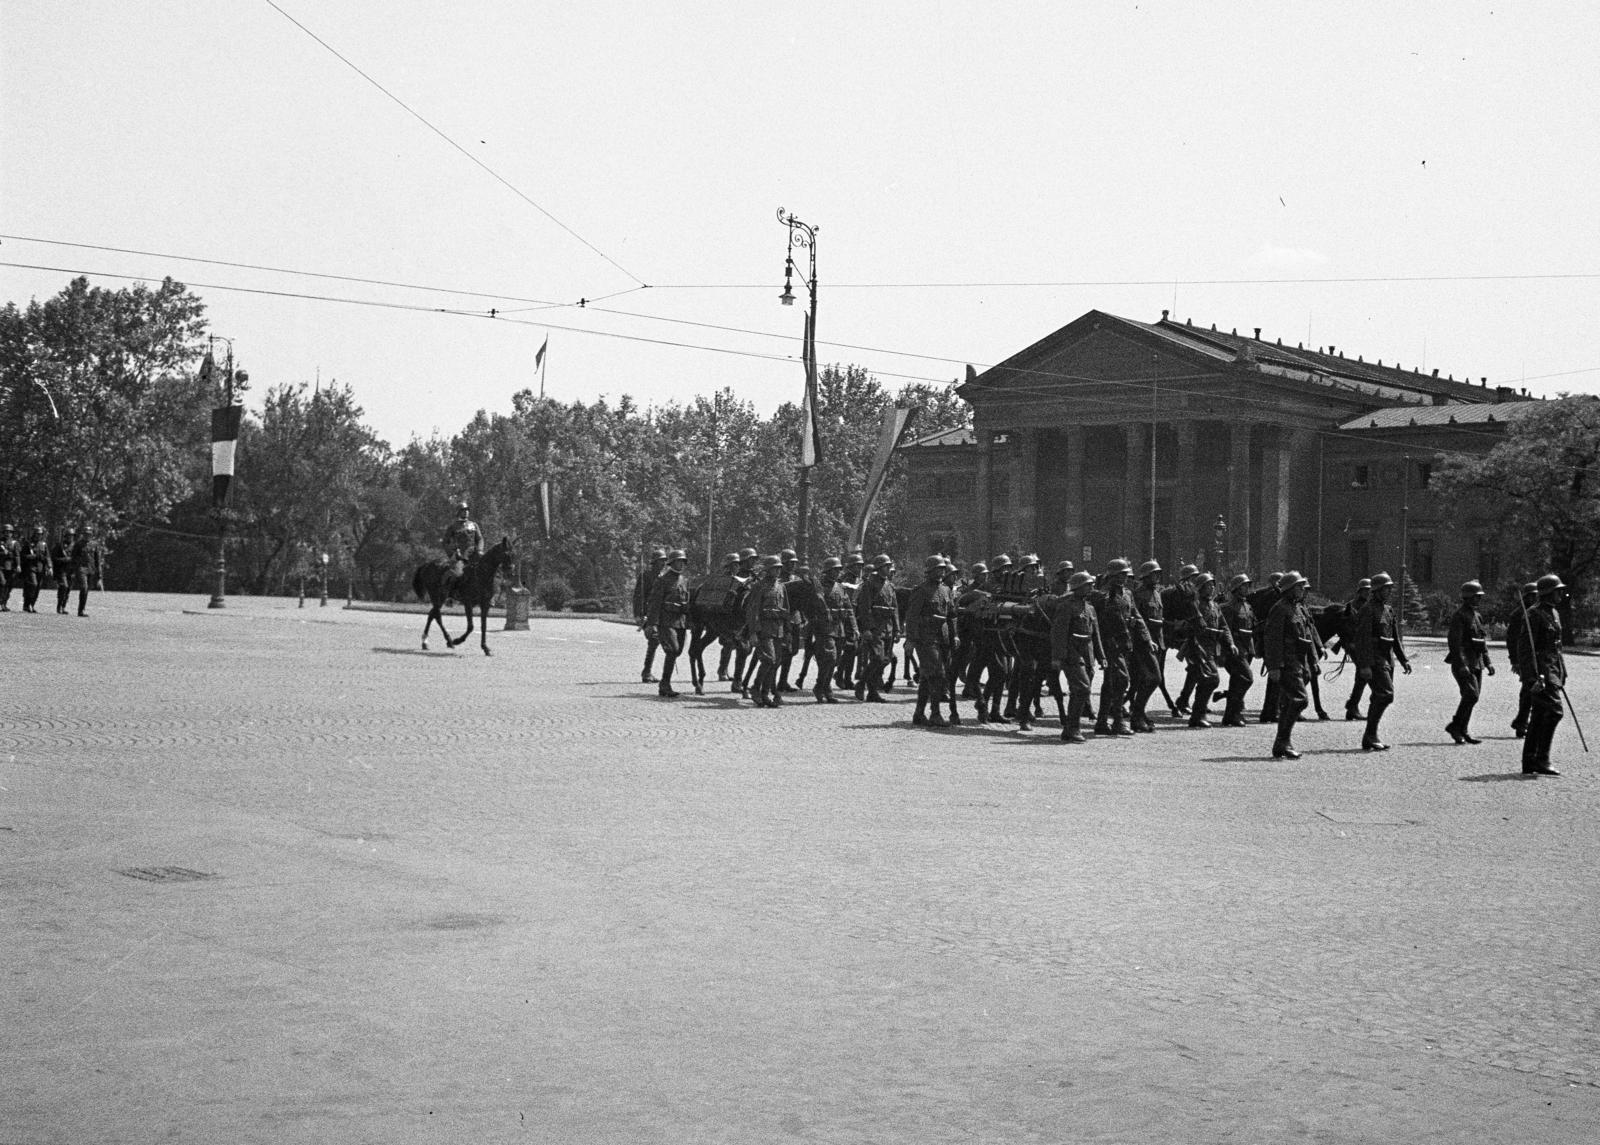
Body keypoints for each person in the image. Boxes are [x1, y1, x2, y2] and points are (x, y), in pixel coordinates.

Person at [1090, 558, 1152, 737]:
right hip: (1110, 643)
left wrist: (1146, 639)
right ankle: (1118, 721)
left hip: (1125, 643)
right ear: (1111, 576)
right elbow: (1099, 621)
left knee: (1110, 683)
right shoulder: (1102, 596)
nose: (1124, 578)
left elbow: (1137, 616)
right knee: (1122, 680)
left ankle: (1102, 722)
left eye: (1125, 575)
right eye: (1120, 575)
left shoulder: (1127, 594)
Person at [1352, 571, 1412, 751]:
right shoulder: (1367, 610)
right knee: (1386, 694)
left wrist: (1403, 660)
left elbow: (1395, 638)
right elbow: (1361, 640)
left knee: (1379, 696)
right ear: (1376, 591)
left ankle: (1370, 736)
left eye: (1390, 589)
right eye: (1385, 589)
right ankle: (1370, 735)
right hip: (1374, 659)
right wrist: (1364, 665)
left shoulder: (1388, 610)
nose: (1389, 592)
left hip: (1387, 659)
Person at [1262, 571, 1317, 759]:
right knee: (1300, 699)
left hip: (1298, 661)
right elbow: (1272, 639)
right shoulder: (1280, 609)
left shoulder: (1298, 608)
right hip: (1286, 662)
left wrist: (1312, 661)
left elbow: (1307, 636)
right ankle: (1282, 741)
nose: (1302, 589)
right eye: (1299, 586)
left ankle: (1282, 744)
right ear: (1289, 590)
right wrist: (1274, 667)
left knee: (1289, 703)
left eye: (1302, 586)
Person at [1046, 570, 1105, 743]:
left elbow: (1096, 635)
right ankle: (1072, 727)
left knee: (1078, 691)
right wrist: (1057, 657)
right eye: (1088, 585)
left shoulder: (1090, 608)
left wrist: (1101, 656)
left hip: (1086, 654)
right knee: (1083, 688)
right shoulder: (1066, 606)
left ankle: (1070, 729)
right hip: (1071, 654)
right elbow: (1058, 633)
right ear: (1078, 587)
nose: (1091, 587)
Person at [1521, 573, 1567, 776]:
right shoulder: (1534, 614)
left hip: (1553, 670)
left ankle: (1531, 761)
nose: (1561, 594)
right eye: (1558, 591)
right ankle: (1541, 758)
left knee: (1539, 715)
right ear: (1549, 592)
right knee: (1555, 711)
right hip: (1541, 672)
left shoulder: (1554, 613)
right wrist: (1531, 676)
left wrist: (1562, 671)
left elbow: (1557, 646)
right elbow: (1526, 648)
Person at [905, 556, 958, 727]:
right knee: (938, 675)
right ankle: (935, 713)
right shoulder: (921, 591)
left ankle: (919, 714)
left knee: (927, 677)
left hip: (942, 638)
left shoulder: (946, 590)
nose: (942, 572)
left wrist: (954, 635)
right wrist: (911, 640)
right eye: (938, 569)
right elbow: (912, 617)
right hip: (925, 638)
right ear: (929, 571)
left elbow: (952, 615)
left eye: (943, 569)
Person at [1178, 572, 1235, 728]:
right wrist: (1211, 632)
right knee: (1212, 679)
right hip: (1197, 647)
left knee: (1205, 680)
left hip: (1210, 649)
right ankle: (1197, 713)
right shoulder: (1195, 605)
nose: (1212, 588)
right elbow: (1190, 626)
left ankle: (1197, 714)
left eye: (1213, 585)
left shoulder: (1215, 605)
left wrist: (1230, 643)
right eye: (1208, 585)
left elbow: (1224, 626)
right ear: (1201, 588)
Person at [1444, 580, 1494, 744]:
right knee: (1470, 695)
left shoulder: (1477, 616)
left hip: (1476, 662)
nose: (1479, 600)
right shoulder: (1460, 616)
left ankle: (1462, 729)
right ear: (1468, 597)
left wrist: (1487, 662)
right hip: (1464, 663)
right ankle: (1456, 726)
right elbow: (1454, 643)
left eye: (1480, 597)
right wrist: (1461, 664)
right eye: (1476, 597)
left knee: (1473, 696)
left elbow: (1482, 641)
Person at [808, 557, 858, 704]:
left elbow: (849, 610)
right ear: (828, 571)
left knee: (834, 660)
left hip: (840, 628)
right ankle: (821, 686)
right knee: (829, 657)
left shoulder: (841, 588)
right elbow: (811, 609)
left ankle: (824, 686)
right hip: (825, 629)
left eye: (838, 570)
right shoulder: (819, 588)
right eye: (834, 570)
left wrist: (854, 628)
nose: (837, 572)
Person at [644, 550, 691, 697]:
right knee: (672, 649)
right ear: (671, 563)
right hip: (666, 621)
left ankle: (665, 683)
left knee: (677, 651)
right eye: (678, 561)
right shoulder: (662, 580)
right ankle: (664, 684)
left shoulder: (684, 580)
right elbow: (654, 603)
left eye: (683, 561)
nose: (681, 564)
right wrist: (652, 624)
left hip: (681, 622)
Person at [854, 555, 900, 703]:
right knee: (877, 658)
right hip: (875, 627)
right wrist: (866, 628)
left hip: (888, 627)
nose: (889, 569)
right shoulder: (869, 585)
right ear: (879, 568)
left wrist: (897, 629)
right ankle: (861, 683)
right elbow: (864, 608)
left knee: (885, 660)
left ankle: (872, 692)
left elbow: (895, 608)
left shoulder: (890, 585)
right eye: (886, 566)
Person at [747, 555, 791, 708]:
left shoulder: (781, 586)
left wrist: (788, 631)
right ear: (767, 570)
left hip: (778, 629)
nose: (778, 571)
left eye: (779, 568)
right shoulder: (759, 586)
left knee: (776, 662)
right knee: (769, 659)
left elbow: (786, 610)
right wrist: (753, 632)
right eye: (774, 568)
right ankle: (755, 688)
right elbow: (752, 611)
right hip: (764, 629)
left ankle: (765, 694)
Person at [1219, 573, 1256, 727]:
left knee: (1236, 682)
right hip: (1234, 650)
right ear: (1235, 588)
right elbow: (1225, 629)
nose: (1246, 588)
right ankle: (1234, 712)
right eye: (1243, 586)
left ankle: (1231, 716)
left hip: (1246, 648)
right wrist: (1229, 647)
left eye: (1247, 585)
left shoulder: (1248, 607)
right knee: (1247, 678)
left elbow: (1251, 627)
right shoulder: (1228, 608)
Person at [1505, 581, 1540, 738]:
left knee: (1533, 690)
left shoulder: (1538, 613)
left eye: (1535, 596)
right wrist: (1514, 661)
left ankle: (1522, 722)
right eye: (1530, 596)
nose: (1533, 599)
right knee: (1529, 690)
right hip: (1524, 658)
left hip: (1538, 658)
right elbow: (1511, 640)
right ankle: (1522, 724)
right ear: (1525, 597)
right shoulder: (1518, 614)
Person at [632, 547, 668, 683]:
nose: (663, 564)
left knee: (658, 642)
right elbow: (638, 596)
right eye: (660, 561)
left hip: (661, 615)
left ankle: (648, 672)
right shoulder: (646, 576)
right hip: (648, 614)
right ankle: (646, 672)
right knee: (653, 641)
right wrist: (638, 615)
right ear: (654, 562)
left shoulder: (663, 577)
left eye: (664, 561)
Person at [1340, 578, 1373, 720]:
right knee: (1363, 675)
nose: (1367, 593)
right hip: (1354, 645)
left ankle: (1352, 706)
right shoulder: (1351, 607)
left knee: (1362, 676)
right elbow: (1345, 627)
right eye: (1365, 590)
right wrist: (1349, 643)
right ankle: (1352, 706)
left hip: (1365, 645)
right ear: (1359, 591)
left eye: (1369, 590)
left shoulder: (1369, 605)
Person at [67, 526, 104, 617]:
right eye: (86, 534)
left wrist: (99, 576)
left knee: (86, 590)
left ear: (91, 535)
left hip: (91, 570)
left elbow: (97, 560)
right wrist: (72, 571)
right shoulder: (78, 544)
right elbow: (73, 558)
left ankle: (82, 609)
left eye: (89, 534)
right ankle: (81, 610)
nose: (87, 536)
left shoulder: (95, 544)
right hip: (81, 568)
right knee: (84, 587)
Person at [19, 525, 50, 613]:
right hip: (31, 567)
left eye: (40, 534)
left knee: (37, 587)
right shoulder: (28, 544)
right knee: (33, 584)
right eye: (37, 534)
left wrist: (49, 567)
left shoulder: (44, 544)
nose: (38, 536)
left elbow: (47, 556)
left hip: (40, 568)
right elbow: (23, 556)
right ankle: (27, 604)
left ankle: (31, 605)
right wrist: (33, 556)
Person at [50, 527, 76, 614]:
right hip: (62, 570)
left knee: (68, 589)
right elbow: (54, 558)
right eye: (68, 536)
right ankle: (59, 606)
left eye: (72, 536)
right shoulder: (59, 546)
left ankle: (63, 606)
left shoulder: (75, 546)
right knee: (64, 586)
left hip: (71, 570)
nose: (70, 538)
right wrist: (64, 560)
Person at [0, 523, 18, 611]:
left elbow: (17, 555)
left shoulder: (15, 543)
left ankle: (4, 603)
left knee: (9, 586)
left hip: (11, 567)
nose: (8, 534)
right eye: (6, 532)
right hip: (1, 566)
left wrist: (18, 565)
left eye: (9, 532)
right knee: (2, 583)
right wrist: (3, 553)